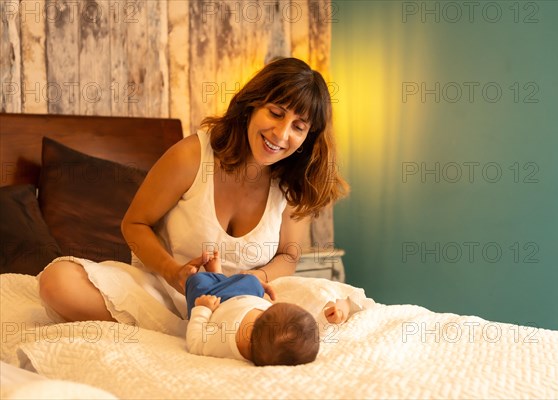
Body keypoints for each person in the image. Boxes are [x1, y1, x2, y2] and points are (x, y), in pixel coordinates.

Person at [38, 57, 349, 325]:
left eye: (299, 126)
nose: (282, 134)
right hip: (161, 293)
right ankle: (187, 327)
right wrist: (175, 274)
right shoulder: (192, 155)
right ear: (252, 106)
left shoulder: (291, 183)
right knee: (59, 282)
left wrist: (257, 279)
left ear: (308, 136)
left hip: (243, 301)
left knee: (332, 300)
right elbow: (133, 224)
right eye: (277, 113)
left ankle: (221, 325)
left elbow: (288, 255)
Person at [185, 250, 319, 366]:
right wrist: (328, 317)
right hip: (244, 295)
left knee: (197, 282)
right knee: (253, 281)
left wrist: (202, 309)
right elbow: (308, 332)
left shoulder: (226, 340)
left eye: (265, 313)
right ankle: (219, 277)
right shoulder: (267, 334)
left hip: (216, 301)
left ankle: (217, 277)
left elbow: (195, 343)